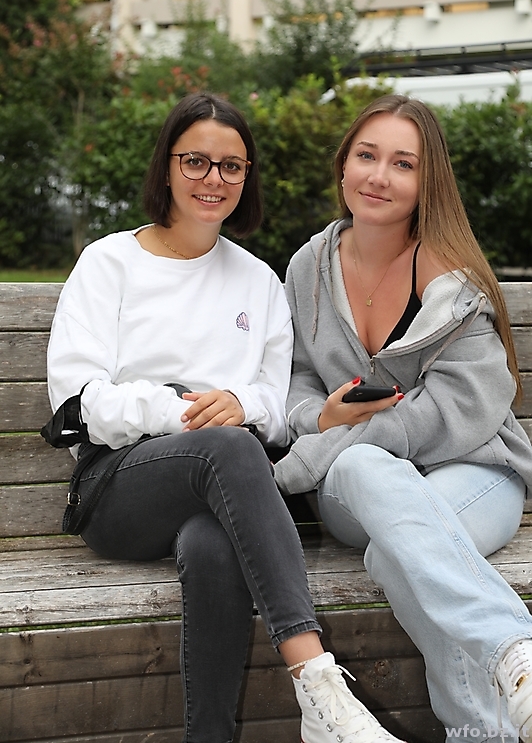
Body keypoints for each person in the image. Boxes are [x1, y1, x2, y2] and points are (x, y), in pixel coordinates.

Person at [46, 92, 406, 743]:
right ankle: (319, 684)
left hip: (220, 492)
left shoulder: (258, 281)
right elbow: (77, 403)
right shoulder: (109, 262)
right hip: (119, 489)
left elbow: (275, 405)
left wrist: (242, 405)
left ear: (246, 177)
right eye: (196, 161)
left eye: (231, 166)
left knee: (214, 542)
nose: (213, 178)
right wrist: (183, 409)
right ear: (167, 166)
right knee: (231, 446)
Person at [274, 94, 532, 743]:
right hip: (353, 487)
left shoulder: (451, 276)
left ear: (426, 182)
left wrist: (325, 446)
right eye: (366, 155)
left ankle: (485, 728)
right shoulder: (307, 268)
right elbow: (294, 377)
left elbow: (463, 407)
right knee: (365, 469)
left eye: (403, 163)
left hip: (475, 472)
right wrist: (319, 418)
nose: (379, 176)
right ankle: (513, 651)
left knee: (400, 548)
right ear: (343, 165)